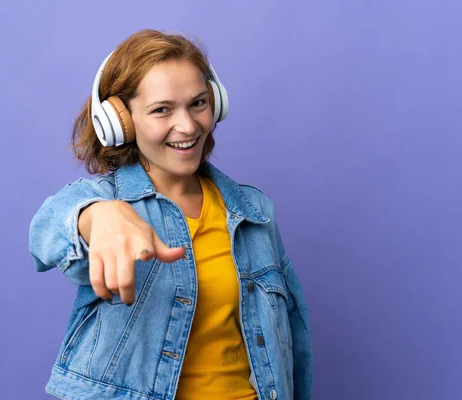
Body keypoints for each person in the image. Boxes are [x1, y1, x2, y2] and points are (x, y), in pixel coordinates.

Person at [29, 29, 312, 400]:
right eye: (162, 109)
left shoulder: (253, 211)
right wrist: (99, 217)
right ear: (121, 122)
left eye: (197, 103)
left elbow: (293, 343)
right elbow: (46, 232)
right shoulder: (102, 202)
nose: (189, 126)